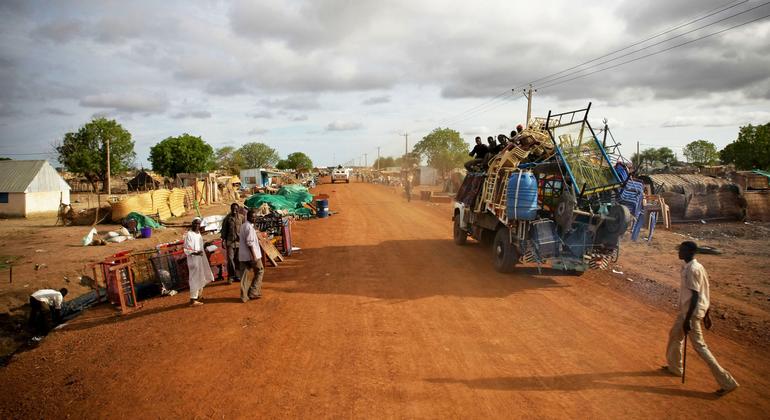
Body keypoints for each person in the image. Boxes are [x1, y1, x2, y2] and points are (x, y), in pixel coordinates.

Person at [663, 241, 739, 396]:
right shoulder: (694, 267)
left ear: (690, 252)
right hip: (687, 312)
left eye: (682, 250)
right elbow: (705, 290)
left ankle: (727, 382)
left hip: (690, 314)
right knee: (675, 335)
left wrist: (688, 320)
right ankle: (675, 367)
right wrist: (707, 314)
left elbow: (696, 296)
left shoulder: (692, 269)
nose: (679, 252)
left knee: (700, 347)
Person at [184, 217, 214, 306]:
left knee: (201, 276)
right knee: (194, 279)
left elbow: (199, 246)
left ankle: (198, 296)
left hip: (200, 259)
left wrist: (206, 245)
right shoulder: (189, 235)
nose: (197, 225)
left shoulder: (198, 234)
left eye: (198, 224)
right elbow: (187, 249)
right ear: (192, 224)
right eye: (195, 223)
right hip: (193, 260)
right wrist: (196, 253)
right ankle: (193, 300)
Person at [239, 209, 264, 302]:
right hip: (251, 255)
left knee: (244, 276)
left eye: (255, 217)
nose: (254, 219)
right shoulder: (249, 227)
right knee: (260, 270)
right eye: (252, 217)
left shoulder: (243, 226)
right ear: (248, 217)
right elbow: (249, 243)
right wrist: (254, 256)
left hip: (243, 255)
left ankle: (244, 296)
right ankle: (253, 291)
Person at [221, 203, 244, 284]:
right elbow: (224, 230)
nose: (234, 210)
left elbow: (245, 229)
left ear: (238, 209)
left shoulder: (241, 218)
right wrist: (223, 240)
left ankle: (238, 275)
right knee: (230, 259)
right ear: (231, 209)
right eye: (233, 208)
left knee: (238, 259)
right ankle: (231, 276)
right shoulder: (227, 218)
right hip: (230, 242)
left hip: (239, 242)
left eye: (236, 208)